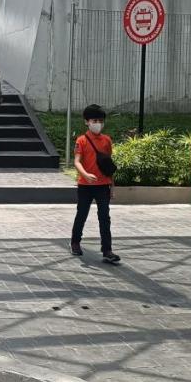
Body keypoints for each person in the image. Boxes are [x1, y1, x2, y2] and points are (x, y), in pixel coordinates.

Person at [71, 104, 119, 264]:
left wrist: (112, 186)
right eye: (94, 120)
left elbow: (108, 165)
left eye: (100, 120)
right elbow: (76, 161)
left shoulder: (106, 140)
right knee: (82, 214)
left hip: (103, 185)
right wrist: (85, 174)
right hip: (85, 185)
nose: (97, 123)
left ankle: (107, 250)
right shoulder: (81, 141)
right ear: (87, 122)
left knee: (104, 217)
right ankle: (75, 242)